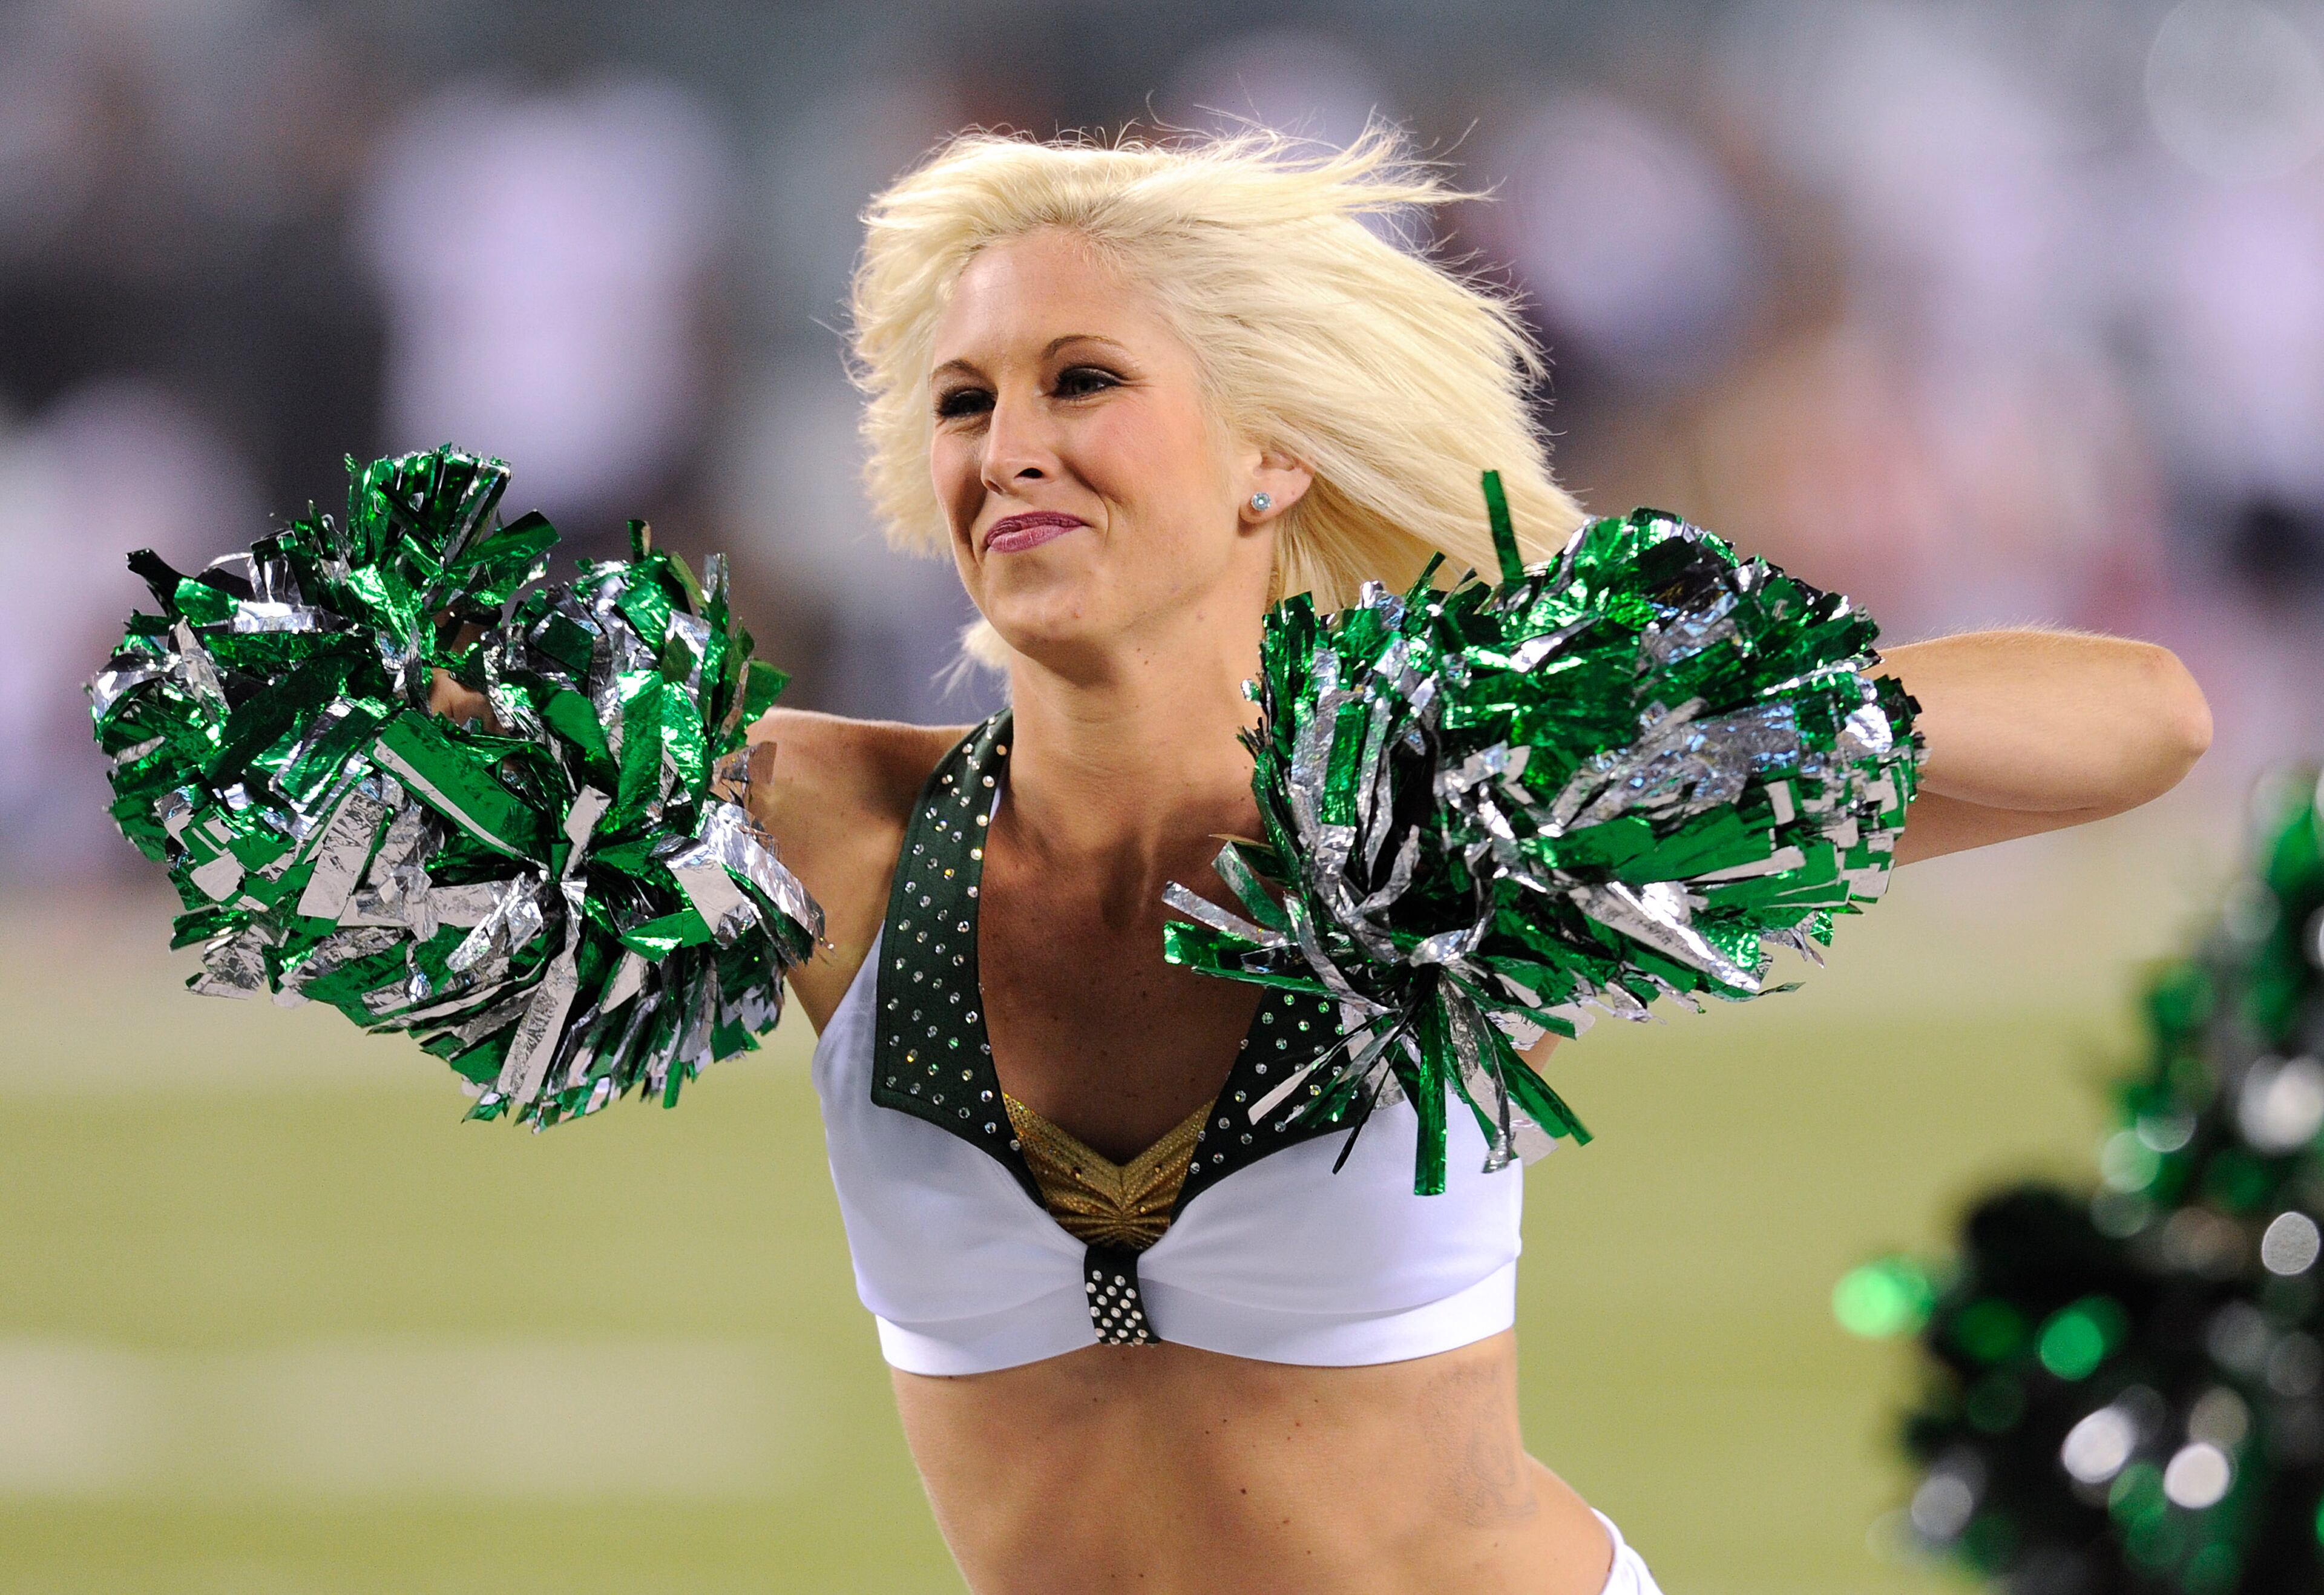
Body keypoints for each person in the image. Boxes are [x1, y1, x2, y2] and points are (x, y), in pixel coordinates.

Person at [734, 130, 2211, 1594]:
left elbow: (2148, 719)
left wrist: (1643, 739)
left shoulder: (1445, 824)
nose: (1008, 451)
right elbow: (504, 710)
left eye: (1086, 380)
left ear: (1272, 453)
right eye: (963, 400)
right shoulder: (840, 829)